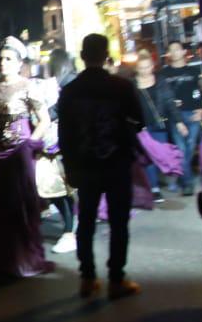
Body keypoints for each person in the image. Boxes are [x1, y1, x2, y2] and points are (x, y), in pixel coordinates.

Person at [58, 34, 146, 299]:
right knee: (119, 223)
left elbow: (65, 134)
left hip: (85, 165)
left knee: (86, 221)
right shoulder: (122, 87)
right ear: (106, 55)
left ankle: (87, 277)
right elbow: (139, 122)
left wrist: (70, 166)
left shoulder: (70, 91)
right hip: (117, 163)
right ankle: (116, 279)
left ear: (83, 56)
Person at [0, 39, 55, 278]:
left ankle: (24, 258)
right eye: (1, 59)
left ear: (19, 63)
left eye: (9, 59)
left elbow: (44, 119)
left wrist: (30, 143)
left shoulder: (29, 86)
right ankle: (3, 257)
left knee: (20, 204)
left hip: (18, 152)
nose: (4, 63)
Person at [133, 52, 184, 202]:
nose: (145, 70)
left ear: (152, 66)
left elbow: (169, 102)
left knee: (160, 155)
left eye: (147, 66)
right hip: (141, 127)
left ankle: (171, 178)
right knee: (147, 157)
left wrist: (179, 121)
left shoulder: (160, 81)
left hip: (158, 124)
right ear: (137, 68)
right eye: (141, 68)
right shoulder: (132, 84)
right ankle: (154, 189)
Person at [161, 40, 202, 195]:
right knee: (181, 149)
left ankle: (182, 175)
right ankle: (188, 183)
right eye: (171, 50)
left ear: (184, 52)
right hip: (175, 117)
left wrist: (200, 110)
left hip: (193, 114)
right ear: (168, 54)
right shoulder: (164, 74)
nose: (175, 52)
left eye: (177, 49)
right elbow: (163, 96)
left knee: (190, 148)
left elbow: (201, 92)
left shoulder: (194, 71)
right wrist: (170, 104)